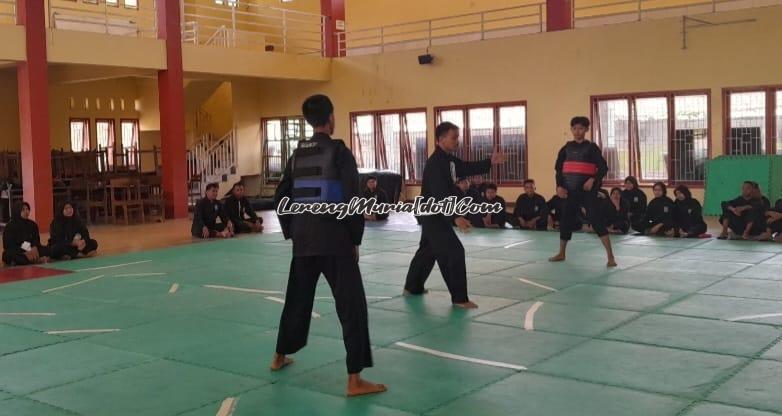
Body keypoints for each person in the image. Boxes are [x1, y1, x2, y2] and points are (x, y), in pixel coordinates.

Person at [270, 94, 385, 397]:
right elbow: (352, 197)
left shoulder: (296, 155)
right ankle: (354, 379)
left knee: (297, 301)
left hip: (304, 242)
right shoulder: (338, 152)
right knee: (352, 307)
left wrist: (293, 232)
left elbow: (280, 198)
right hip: (335, 241)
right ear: (330, 118)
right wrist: (355, 239)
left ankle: (279, 357)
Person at [404, 121, 505, 309]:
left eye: (457, 137)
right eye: (454, 137)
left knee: (427, 251)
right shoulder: (435, 163)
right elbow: (440, 194)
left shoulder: (449, 160)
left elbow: (466, 167)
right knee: (454, 252)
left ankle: (412, 287)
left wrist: (490, 161)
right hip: (433, 213)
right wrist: (455, 217)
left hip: (436, 212)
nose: (457, 141)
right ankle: (459, 299)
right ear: (441, 139)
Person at [549, 116, 616, 267]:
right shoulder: (565, 148)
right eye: (574, 128)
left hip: (587, 191)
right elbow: (558, 170)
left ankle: (610, 257)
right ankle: (561, 253)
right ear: (571, 129)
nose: (577, 131)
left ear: (586, 129)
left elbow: (603, 168)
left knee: (595, 219)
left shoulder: (592, 148)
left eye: (580, 128)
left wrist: (593, 179)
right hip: (569, 191)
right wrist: (558, 186)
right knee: (565, 220)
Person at [2, 202, 49, 266]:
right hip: (17, 250)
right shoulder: (10, 226)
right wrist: (25, 251)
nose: (26, 212)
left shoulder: (32, 224)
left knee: (48, 249)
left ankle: (24, 261)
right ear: (17, 211)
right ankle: (34, 260)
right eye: (23, 210)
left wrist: (34, 247)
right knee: (8, 255)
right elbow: (8, 245)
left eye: (27, 209)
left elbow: (36, 239)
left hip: (31, 249)